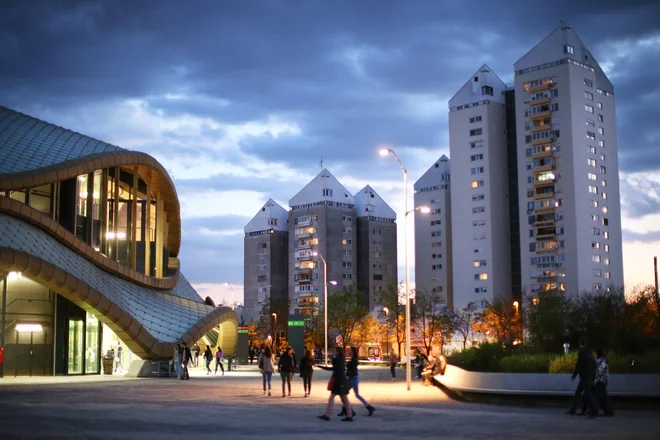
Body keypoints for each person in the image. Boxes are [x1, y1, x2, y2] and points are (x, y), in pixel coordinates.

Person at [317, 347, 353, 422]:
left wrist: (323, 366)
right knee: (344, 399)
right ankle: (349, 415)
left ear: (337, 352)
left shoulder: (338, 360)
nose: (333, 352)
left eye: (334, 351)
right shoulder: (341, 359)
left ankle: (328, 415)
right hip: (341, 381)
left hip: (339, 382)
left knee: (334, 398)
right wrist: (322, 367)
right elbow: (334, 368)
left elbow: (335, 369)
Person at [566, 337, 597, 418]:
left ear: (580, 344)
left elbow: (579, 365)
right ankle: (572, 410)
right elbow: (594, 364)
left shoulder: (582, 352)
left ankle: (594, 411)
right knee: (578, 393)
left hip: (584, 376)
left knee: (588, 394)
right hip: (589, 375)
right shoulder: (590, 352)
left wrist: (573, 376)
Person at [342, 346, 375, 417]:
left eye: (350, 350)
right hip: (352, 378)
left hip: (353, 379)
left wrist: (348, 379)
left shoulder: (354, 360)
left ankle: (368, 407)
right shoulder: (353, 359)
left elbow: (352, 371)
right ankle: (346, 409)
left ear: (352, 351)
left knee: (353, 394)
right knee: (344, 394)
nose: (348, 351)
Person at [594, 349, 614, 416]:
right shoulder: (603, 360)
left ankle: (609, 411)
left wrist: (595, 380)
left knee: (603, 397)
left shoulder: (601, 361)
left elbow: (599, 371)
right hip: (603, 380)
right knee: (599, 396)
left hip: (601, 381)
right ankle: (597, 410)